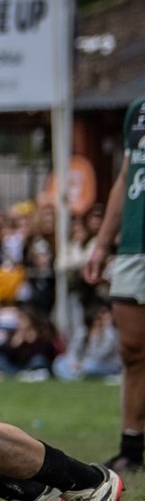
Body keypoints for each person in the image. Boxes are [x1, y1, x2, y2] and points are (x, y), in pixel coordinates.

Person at [82, 95, 145, 474]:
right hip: (134, 246)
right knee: (132, 349)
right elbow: (126, 176)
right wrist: (103, 242)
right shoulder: (137, 110)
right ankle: (132, 447)